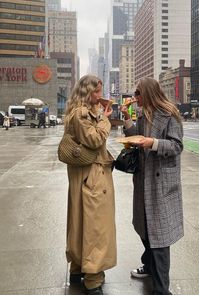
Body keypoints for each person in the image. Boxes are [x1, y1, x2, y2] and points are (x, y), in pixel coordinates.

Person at [120, 77, 184, 295]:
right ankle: (148, 266)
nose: (134, 97)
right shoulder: (143, 114)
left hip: (161, 183)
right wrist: (127, 118)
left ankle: (161, 290)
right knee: (145, 230)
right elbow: (134, 136)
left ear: (147, 93)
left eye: (138, 93)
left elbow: (177, 146)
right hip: (143, 180)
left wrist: (152, 143)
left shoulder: (170, 114)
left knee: (160, 237)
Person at [64, 75, 116, 295]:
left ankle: (77, 269)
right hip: (92, 176)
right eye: (96, 91)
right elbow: (94, 140)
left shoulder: (77, 112)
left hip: (82, 176)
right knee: (96, 227)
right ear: (86, 92)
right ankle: (93, 277)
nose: (99, 95)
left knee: (80, 222)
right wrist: (105, 119)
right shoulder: (82, 114)